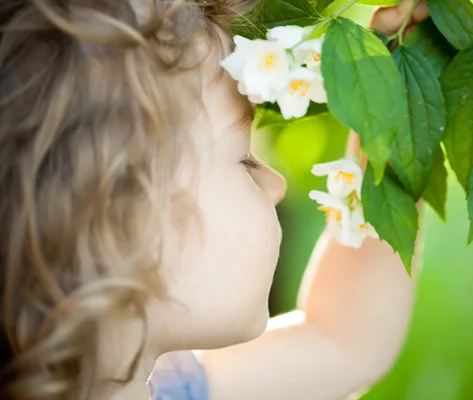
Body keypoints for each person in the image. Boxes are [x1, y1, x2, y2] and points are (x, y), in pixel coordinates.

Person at [0, 0, 430, 399]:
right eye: (244, 158)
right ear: (120, 223)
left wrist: (392, 118)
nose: (276, 184)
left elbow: (344, 339)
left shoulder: (177, 386)